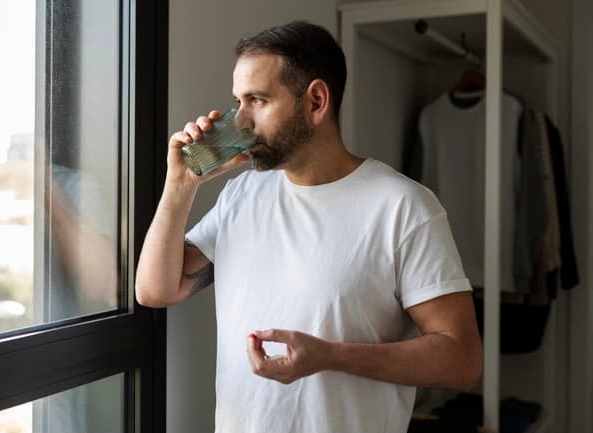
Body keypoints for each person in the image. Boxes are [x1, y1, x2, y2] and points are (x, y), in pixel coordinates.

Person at [135, 20, 483, 433]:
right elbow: (155, 290)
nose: (240, 121)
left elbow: (462, 361)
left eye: (257, 101)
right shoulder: (242, 195)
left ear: (316, 101)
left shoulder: (404, 207)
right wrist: (180, 185)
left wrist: (329, 356)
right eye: (237, 102)